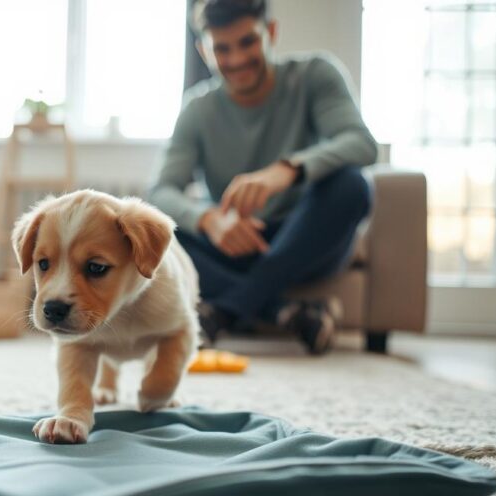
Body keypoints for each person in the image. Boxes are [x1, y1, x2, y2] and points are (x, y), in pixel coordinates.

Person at [148, 0, 378, 354]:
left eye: (247, 42)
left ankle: (223, 311)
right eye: (222, 48)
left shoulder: (315, 74)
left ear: (270, 32)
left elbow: (361, 144)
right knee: (158, 234)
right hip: (233, 243)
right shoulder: (196, 109)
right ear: (203, 50)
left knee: (351, 185)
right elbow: (161, 190)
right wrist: (208, 220)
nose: (237, 59)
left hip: (305, 239)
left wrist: (286, 170)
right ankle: (286, 312)